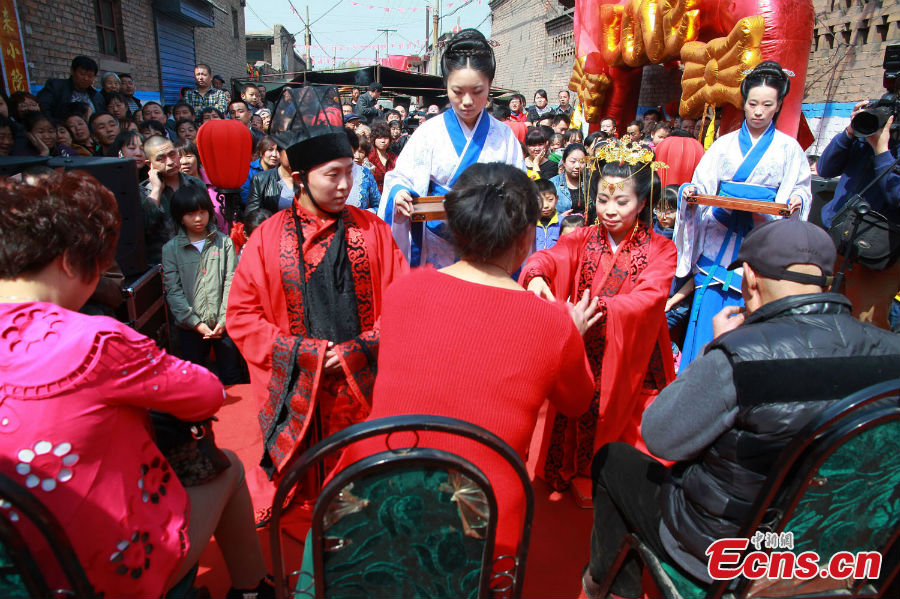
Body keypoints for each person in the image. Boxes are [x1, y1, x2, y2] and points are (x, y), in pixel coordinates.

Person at [582, 219, 900, 599]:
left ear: (749, 278)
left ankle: (606, 585)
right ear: (825, 283)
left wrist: (712, 353)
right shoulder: (891, 352)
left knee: (613, 460)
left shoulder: (741, 355)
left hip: (728, 550)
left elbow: (660, 436)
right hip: (838, 543)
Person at [0, 171, 273, 599]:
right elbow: (206, 391)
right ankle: (252, 589)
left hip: (15, 571)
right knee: (231, 469)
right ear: (74, 262)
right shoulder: (94, 340)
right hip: (93, 572)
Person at [338, 162, 597, 556]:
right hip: (480, 516)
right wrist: (572, 336)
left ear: (454, 227)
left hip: (367, 490)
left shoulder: (404, 291)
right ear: (528, 237)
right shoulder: (553, 324)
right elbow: (578, 401)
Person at [227, 86, 408, 484]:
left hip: (361, 383)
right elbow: (241, 317)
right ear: (298, 179)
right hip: (299, 396)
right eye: (333, 175)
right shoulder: (267, 238)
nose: (346, 184)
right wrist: (303, 354)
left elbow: (404, 304)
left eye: (350, 171)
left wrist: (362, 347)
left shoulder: (373, 230)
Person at [520, 139, 676, 497]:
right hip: (583, 336)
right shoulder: (583, 238)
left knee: (621, 415)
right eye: (603, 199)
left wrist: (602, 309)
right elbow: (552, 256)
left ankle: (608, 478)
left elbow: (649, 298)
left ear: (642, 202)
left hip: (631, 347)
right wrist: (537, 274)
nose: (610, 209)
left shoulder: (661, 248)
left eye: (622, 201)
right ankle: (568, 467)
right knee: (576, 405)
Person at [674, 61, 812, 370]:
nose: (759, 111)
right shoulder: (723, 145)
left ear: (777, 106)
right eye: (752, 104)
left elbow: (800, 188)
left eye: (767, 104)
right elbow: (703, 185)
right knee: (706, 321)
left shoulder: (789, 149)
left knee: (749, 325)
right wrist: (691, 193)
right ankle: (695, 376)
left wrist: (796, 200)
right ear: (744, 103)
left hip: (759, 241)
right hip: (718, 238)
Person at [378, 29, 526, 267]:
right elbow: (400, 177)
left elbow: (519, 191)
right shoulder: (428, 132)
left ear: (490, 86)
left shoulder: (504, 136)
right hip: (435, 243)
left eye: (477, 91)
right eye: (457, 91)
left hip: (487, 242)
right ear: (445, 85)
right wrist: (399, 193)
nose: (467, 101)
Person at [817, 102, 899, 329]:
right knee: (820, 316)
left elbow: (897, 196)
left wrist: (882, 151)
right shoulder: (866, 130)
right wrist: (850, 133)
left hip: (877, 254)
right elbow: (825, 169)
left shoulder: (885, 147)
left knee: (865, 327)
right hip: (837, 239)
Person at [162, 186, 244, 385]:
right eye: (191, 214)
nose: (198, 218)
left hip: (223, 324)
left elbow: (231, 281)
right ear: (180, 217)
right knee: (194, 377)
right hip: (190, 327)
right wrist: (195, 323)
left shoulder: (224, 243)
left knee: (231, 374)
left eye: (202, 212)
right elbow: (173, 290)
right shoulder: (171, 249)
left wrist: (224, 319)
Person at [36, 55, 106, 117]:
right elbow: (43, 109)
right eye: (82, 74)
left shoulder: (97, 97)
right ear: (72, 71)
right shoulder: (55, 87)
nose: (86, 78)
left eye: (90, 76)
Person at [244, 138, 297, 215]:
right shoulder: (259, 178)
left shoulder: (306, 178)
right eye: (270, 150)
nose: (274, 155)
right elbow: (251, 213)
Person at [550, 143, 587, 214]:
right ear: (563, 162)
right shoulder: (553, 184)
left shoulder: (590, 182)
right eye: (573, 161)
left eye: (582, 162)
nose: (577, 166)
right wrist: (560, 219)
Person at [367, 121, 396, 193]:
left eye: (386, 138)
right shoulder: (368, 157)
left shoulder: (394, 158)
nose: (383, 141)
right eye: (379, 138)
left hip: (391, 194)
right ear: (374, 139)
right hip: (373, 195)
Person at [535, 178, 562, 250]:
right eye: (540, 201)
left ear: (556, 199)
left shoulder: (562, 223)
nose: (545, 205)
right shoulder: (528, 224)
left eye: (550, 200)